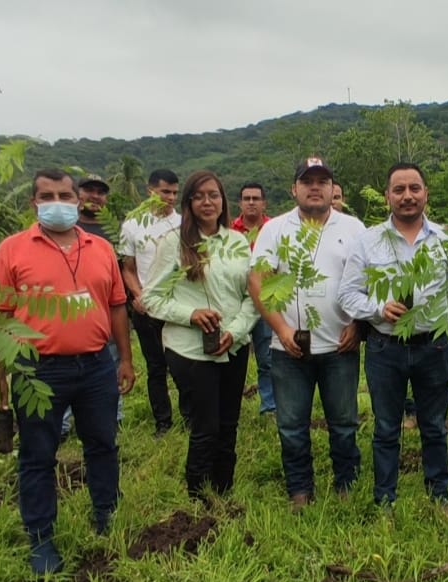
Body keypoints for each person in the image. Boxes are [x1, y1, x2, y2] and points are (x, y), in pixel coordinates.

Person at [0, 169, 135, 575]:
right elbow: (0, 318)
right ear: (34, 202)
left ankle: (106, 512)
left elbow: (117, 305)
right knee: (38, 456)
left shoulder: (101, 248)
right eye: (47, 195)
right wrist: (1, 385)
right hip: (37, 370)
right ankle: (40, 538)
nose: (58, 202)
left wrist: (124, 359)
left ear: (78, 200)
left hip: (94, 366)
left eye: (65, 195)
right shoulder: (12, 250)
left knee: (103, 444)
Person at [249, 158, 366, 509]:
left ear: (333, 189)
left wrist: (358, 325)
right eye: (307, 181)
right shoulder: (275, 230)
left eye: (323, 181)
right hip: (289, 349)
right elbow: (258, 280)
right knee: (291, 424)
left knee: (344, 422)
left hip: (340, 346)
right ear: (294, 189)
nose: (315, 187)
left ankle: (347, 482)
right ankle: (300, 489)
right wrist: (281, 328)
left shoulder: (355, 228)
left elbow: (368, 281)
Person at [338, 162, 448, 510]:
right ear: (388, 195)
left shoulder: (445, 241)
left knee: (434, 425)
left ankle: (439, 495)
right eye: (399, 190)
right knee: (386, 427)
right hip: (384, 347)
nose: (407, 196)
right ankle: (384, 498)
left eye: (414, 188)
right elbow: (347, 294)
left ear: (425, 194)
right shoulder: (368, 241)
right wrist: (378, 308)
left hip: (432, 345)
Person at [141, 171, 258, 500]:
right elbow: (150, 299)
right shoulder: (173, 244)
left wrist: (235, 331)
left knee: (228, 423)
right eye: (199, 196)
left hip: (233, 347)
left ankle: (224, 489)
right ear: (188, 203)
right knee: (205, 425)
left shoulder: (237, 242)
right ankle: (197, 494)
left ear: (223, 201)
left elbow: (252, 296)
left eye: (214, 195)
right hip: (191, 350)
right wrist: (190, 315)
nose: (208, 202)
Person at [59, 175, 127, 438]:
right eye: (89, 190)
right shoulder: (66, 229)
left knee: (111, 366)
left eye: (101, 192)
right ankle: (63, 425)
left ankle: (113, 417)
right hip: (64, 317)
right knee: (63, 371)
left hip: (106, 312)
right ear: (77, 195)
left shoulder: (114, 232)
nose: (95, 196)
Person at [119, 169, 186, 437]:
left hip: (178, 307)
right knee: (156, 367)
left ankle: (190, 417)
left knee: (183, 364)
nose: (170, 198)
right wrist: (138, 296)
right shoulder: (133, 225)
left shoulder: (184, 224)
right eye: (164, 192)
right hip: (147, 309)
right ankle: (163, 423)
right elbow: (128, 266)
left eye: (174, 193)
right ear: (151, 192)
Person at [231, 182, 275, 415]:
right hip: (236, 302)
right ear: (240, 203)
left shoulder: (273, 229)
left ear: (263, 203)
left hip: (266, 300)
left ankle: (269, 405)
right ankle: (230, 404)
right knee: (232, 354)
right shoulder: (229, 231)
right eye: (246, 198)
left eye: (255, 198)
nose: (251, 202)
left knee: (266, 356)